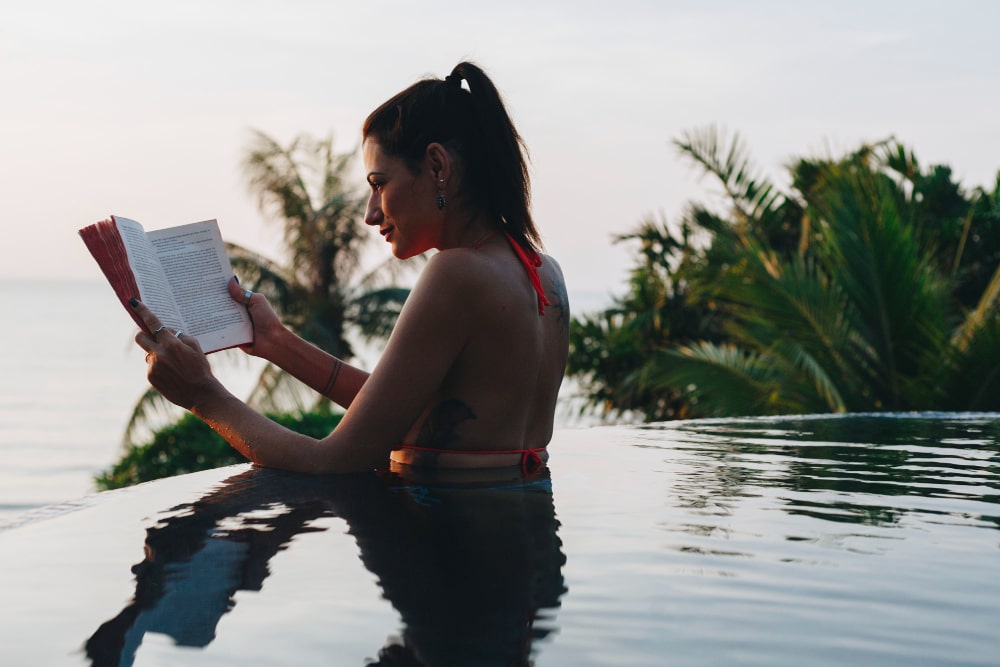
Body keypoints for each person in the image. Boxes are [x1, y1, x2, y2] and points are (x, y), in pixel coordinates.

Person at [131, 61, 570, 475]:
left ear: (437, 166)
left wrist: (202, 395)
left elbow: (335, 462)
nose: (371, 213)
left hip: (451, 550)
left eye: (379, 184)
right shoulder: (543, 271)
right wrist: (276, 341)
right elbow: (402, 417)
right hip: (519, 541)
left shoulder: (457, 273)